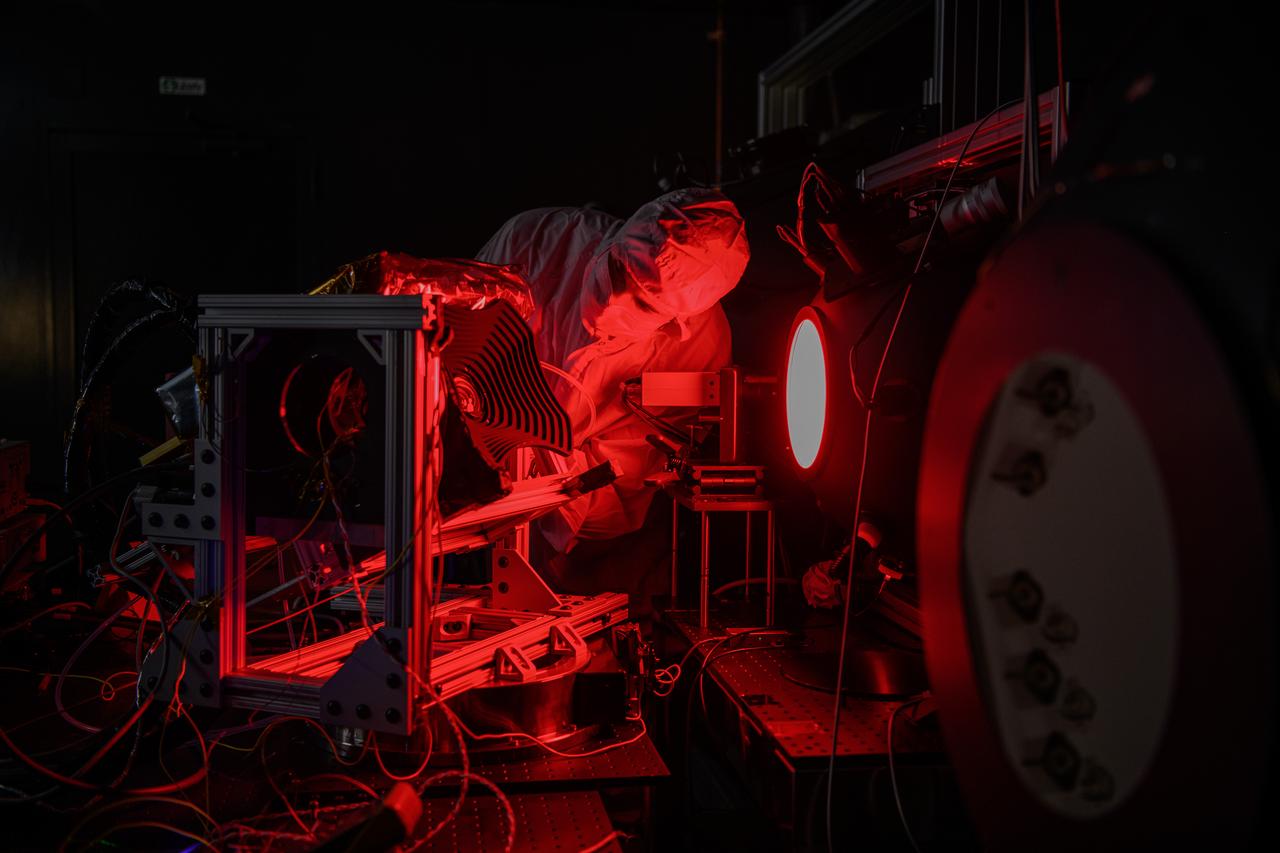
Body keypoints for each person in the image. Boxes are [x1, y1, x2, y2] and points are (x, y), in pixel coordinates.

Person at [476, 187, 749, 602]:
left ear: (678, 318)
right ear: (622, 238)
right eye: (619, 270)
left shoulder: (698, 350)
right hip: (465, 485)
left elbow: (628, 479)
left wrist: (545, 501)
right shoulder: (536, 240)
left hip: (581, 539)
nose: (611, 302)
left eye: (641, 301)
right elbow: (450, 338)